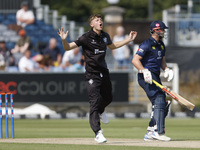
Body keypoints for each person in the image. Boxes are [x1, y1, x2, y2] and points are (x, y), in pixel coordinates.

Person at [58, 14, 137, 143]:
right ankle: (98, 132)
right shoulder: (85, 37)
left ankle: (101, 111)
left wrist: (128, 40)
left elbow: (113, 46)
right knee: (94, 102)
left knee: (108, 98)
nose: (100, 21)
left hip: (104, 72)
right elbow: (67, 47)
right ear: (92, 24)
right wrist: (63, 40)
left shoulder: (105, 36)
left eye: (101, 20)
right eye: (97, 20)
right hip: (91, 74)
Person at [132, 20, 174, 141]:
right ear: (155, 30)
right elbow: (135, 60)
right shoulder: (147, 44)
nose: (164, 31)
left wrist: (166, 69)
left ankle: (150, 131)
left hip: (155, 76)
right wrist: (143, 70)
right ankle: (158, 132)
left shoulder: (161, 44)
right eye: (162, 29)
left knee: (163, 103)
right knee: (159, 100)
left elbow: (162, 61)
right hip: (145, 76)